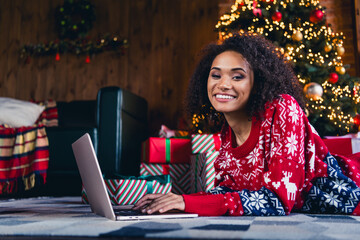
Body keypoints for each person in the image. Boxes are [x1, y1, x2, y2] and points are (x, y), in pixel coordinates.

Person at [133, 32, 360, 216]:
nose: (223, 84)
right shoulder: (227, 131)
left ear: (257, 82)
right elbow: (229, 192)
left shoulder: (283, 109)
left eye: (237, 76)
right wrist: (179, 201)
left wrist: (186, 202)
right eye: (216, 75)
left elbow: (277, 201)